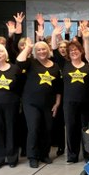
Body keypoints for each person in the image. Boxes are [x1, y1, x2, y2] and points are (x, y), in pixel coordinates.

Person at [17, 40, 62, 168]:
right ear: (35, 52)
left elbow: (58, 86)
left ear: (48, 50)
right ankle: (33, 156)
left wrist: (57, 103)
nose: (42, 51)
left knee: (47, 129)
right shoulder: (31, 63)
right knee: (34, 128)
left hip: (49, 103)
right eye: (39, 50)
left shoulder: (55, 66)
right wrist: (28, 48)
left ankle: (44, 154)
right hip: (31, 103)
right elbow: (19, 62)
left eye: (44, 49)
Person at [58, 24, 89, 163]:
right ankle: (72, 155)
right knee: (71, 129)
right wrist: (61, 33)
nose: (74, 52)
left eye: (76, 50)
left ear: (81, 51)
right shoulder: (65, 65)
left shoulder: (88, 65)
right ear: (68, 54)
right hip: (69, 103)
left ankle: (88, 155)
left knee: (87, 129)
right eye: (71, 51)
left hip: (87, 103)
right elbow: (56, 50)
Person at [0, 42, 23, 168]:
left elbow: (21, 85)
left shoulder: (15, 68)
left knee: (11, 130)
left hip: (11, 103)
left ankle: (12, 158)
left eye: (1, 51)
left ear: (5, 54)